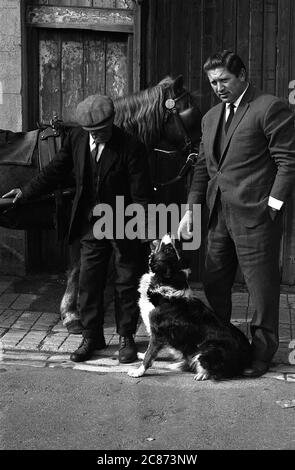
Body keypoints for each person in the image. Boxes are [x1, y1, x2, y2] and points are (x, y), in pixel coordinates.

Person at [3, 94, 153, 364]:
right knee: (89, 282)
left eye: (105, 129)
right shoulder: (76, 140)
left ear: (112, 122)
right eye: (94, 131)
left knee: (125, 282)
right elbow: (54, 171)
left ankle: (126, 337)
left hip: (123, 224)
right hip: (91, 225)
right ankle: (92, 337)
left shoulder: (132, 147)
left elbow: (141, 196)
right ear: (85, 130)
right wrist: (24, 192)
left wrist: (146, 232)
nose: (100, 135)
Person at [178, 50, 295, 377]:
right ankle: (222, 346)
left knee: (261, 290)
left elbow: (289, 161)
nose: (218, 87)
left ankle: (261, 354)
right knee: (215, 285)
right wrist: (191, 210)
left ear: (242, 75)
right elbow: (202, 167)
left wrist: (272, 206)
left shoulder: (269, 108)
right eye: (213, 82)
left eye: (224, 80)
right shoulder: (210, 117)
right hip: (217, 218)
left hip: (256, 217)